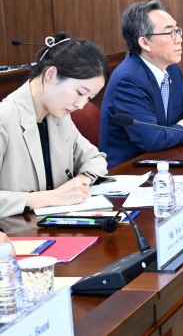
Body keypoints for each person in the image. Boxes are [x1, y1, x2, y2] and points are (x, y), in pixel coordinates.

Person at [0, 33, 109, 218]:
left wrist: (82, 181)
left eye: (89, 98)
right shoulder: (4, 119)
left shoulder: (59, 116)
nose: (81, 105)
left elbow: (95, 158)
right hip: (15, 230)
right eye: (79, 92)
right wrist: (52, 197)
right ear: (51, 74)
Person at [99, 0, 183, 168]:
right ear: (145, 43)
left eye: (177, 31)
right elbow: (151, 139)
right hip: (129, 171)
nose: (179, 39)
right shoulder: (128, 80)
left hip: (165, 160)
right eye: (170, 33)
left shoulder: (173, 70)